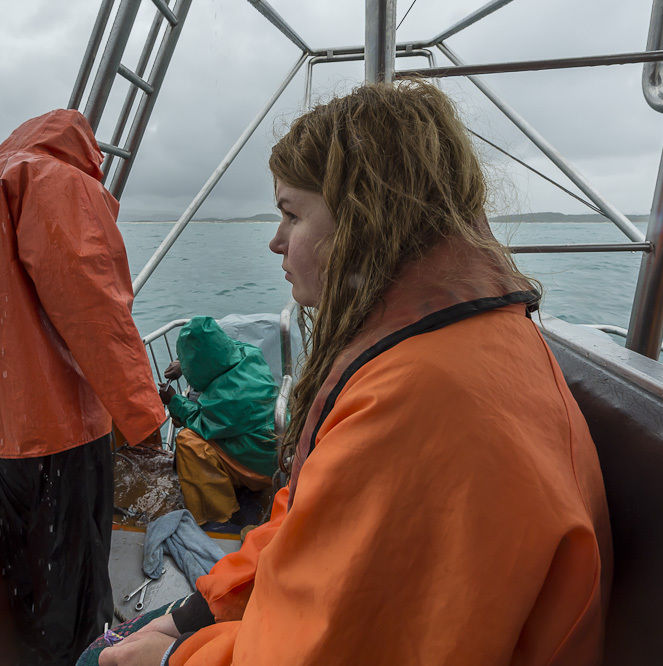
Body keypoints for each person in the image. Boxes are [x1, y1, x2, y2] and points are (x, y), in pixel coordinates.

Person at [95, 80, 612, 665]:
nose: (275, 241)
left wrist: (170, 658)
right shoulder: (464, 341)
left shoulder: (418, 403)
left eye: (291, 213)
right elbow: (310, 521)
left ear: (365, 218)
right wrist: (200, 610)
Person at [0, 108, 165, 665]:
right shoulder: (57, 181)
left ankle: (44, 647)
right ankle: (83, 653)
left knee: (29, 555)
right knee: (74, 560)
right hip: (58, 416)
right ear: (88, 150)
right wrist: (143, 414)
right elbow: (92, 305)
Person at [157, 317, 278, 526]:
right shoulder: (250, 354)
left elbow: (202, 421)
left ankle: (219, 517)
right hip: (273, 449)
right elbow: (219, 351)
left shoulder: (229, 396)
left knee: (188, 441)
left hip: (258, 465)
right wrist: (184, 366)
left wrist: (174, 401)